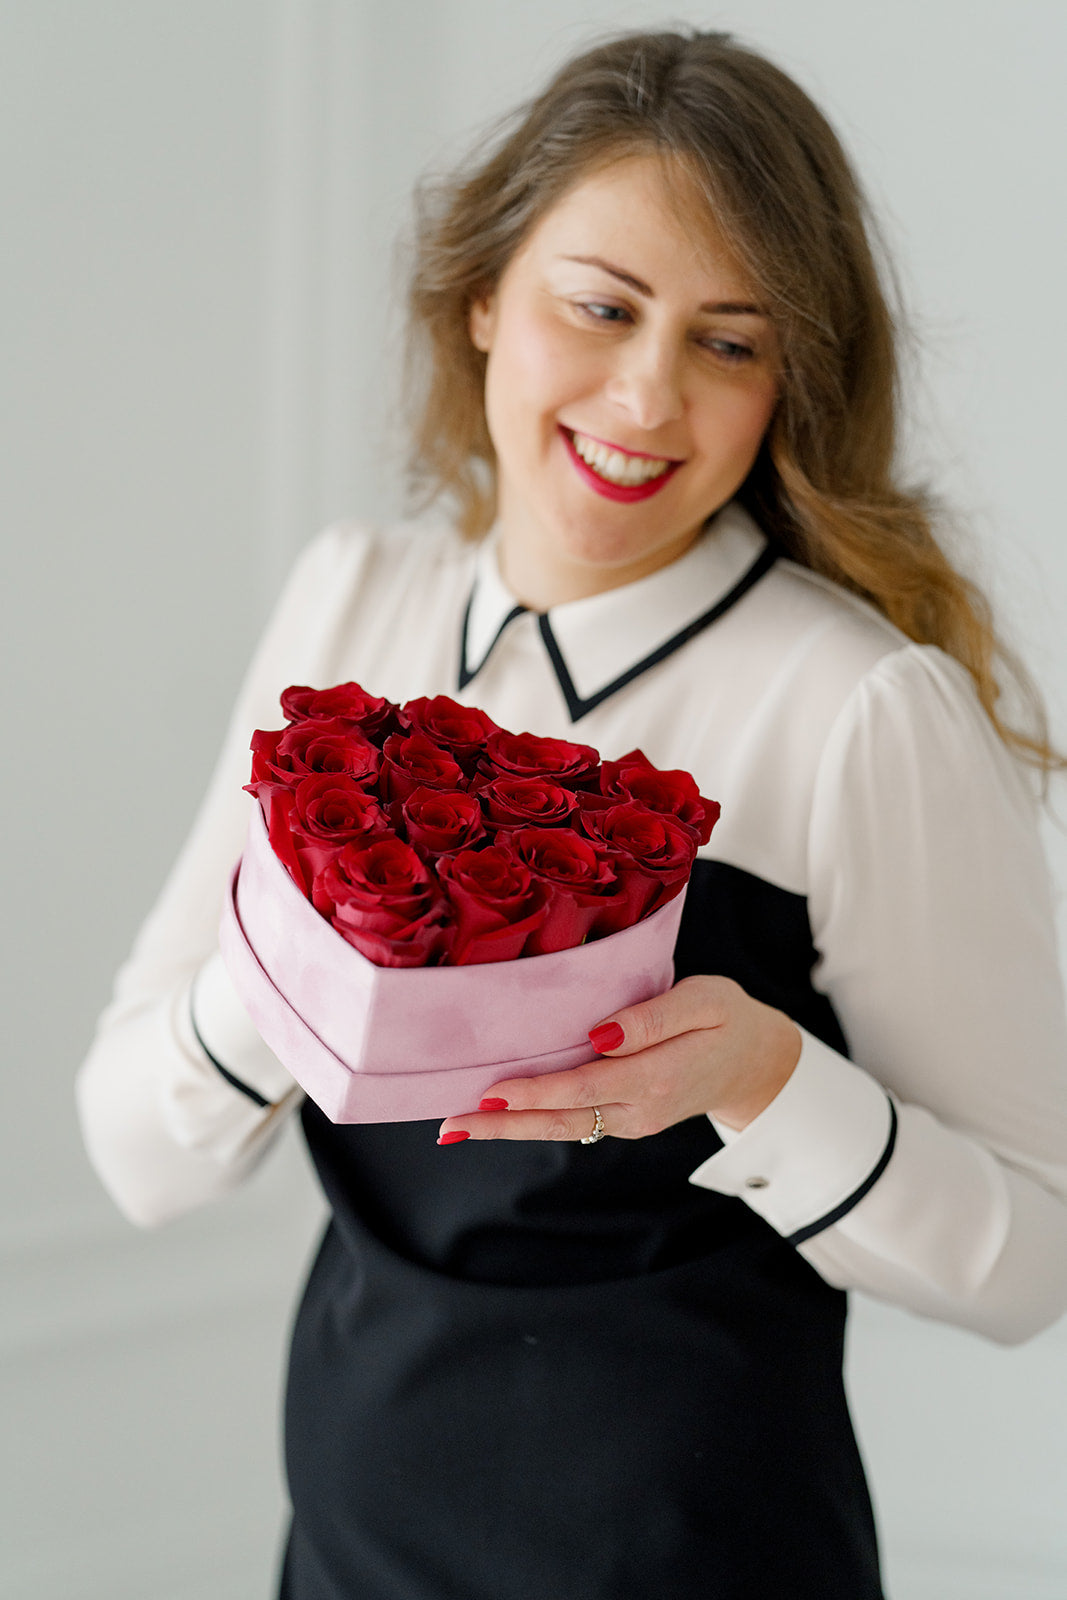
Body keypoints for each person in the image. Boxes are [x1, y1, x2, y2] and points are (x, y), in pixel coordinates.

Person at [76, 28, 1067, 1600]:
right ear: (483, 296)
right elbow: (139, 1154)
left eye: (731, 343)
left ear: (787, 382)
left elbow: (1035, 1256)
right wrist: (289, 986)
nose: (649, 394)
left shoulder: (860, 709)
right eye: (600, 307)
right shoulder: (354, 601)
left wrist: (766, 1079)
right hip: (345, 1556)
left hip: (703, 1560)